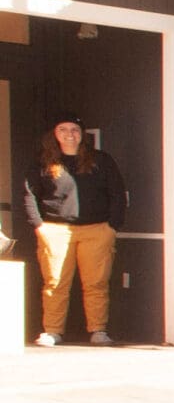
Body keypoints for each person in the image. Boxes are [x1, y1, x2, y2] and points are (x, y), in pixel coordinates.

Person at [20, 112, 127, 346]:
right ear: (54, 135)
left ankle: (98, 330)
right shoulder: (43, 163)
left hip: (97, 230)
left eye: (75, 130)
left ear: (82, 135)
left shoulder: (101, 160)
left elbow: (118, 193)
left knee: (96, 283)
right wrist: (39, 226)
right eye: (63, 130)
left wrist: (112, 226)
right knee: (55, 283)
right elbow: (30, 195)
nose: (70, 135)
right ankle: (52, 331)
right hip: (55, 230)